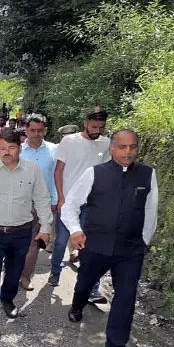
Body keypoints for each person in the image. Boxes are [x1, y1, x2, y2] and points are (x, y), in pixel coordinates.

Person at [63, 130, 158, 347]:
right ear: (112, 149)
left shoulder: (147, 174)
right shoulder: (95, 173)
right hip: (97, 245)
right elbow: (71, 205)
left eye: (133, 147)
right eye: (123, 147)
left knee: (126, 297)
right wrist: (75, 230)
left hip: (130, 249)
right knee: (84, 282)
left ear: (138, 149)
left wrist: (143, 241)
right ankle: (77, 305)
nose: (128, 152)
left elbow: (150, 211)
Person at [0, 128, 52, 339]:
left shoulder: (32, 170)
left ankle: (7, 298)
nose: (6, 152)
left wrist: (45, 229)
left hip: (21, 233)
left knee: (14, 273)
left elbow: (42, 199)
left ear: (19, 148)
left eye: (11, 148)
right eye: (2, 148)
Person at [50, 110, 111, 306]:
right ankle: (56, 271)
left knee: (90, 246)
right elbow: (58, 171)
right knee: (60, 241)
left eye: (101, 128)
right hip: (69, 202)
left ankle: (91, 288)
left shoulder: (106, 143)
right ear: (86, 123)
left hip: (92, 204)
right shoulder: (69, 142)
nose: (97, 131)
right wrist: (61, 198)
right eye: (94, 127)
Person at [18, 114, 58, 291]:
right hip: (20, 203)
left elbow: (58, 176)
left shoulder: (54, 150)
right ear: (26, 130)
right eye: (32, 130)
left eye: (40, 130)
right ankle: (11, 271)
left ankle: (26, 276)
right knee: (16, 241)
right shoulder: (17, 151)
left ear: (45, 130)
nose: (36, 134)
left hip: (44, 204)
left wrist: (55, 200)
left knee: (35, 242)